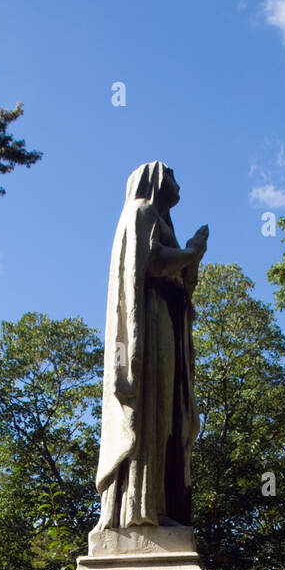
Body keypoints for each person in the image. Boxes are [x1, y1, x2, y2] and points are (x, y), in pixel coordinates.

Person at [96, 162, 208, 530]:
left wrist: (190, 263)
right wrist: (191, 252)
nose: (179, 183)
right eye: (174, 175)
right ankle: (137, 509)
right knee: (149, 412)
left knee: (166, 417)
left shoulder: (160, 222)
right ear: (157, 179)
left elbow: (177, 281)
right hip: (150, 325)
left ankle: (157, 504)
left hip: (167, 325)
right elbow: (153, 262)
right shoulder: (141, 211)